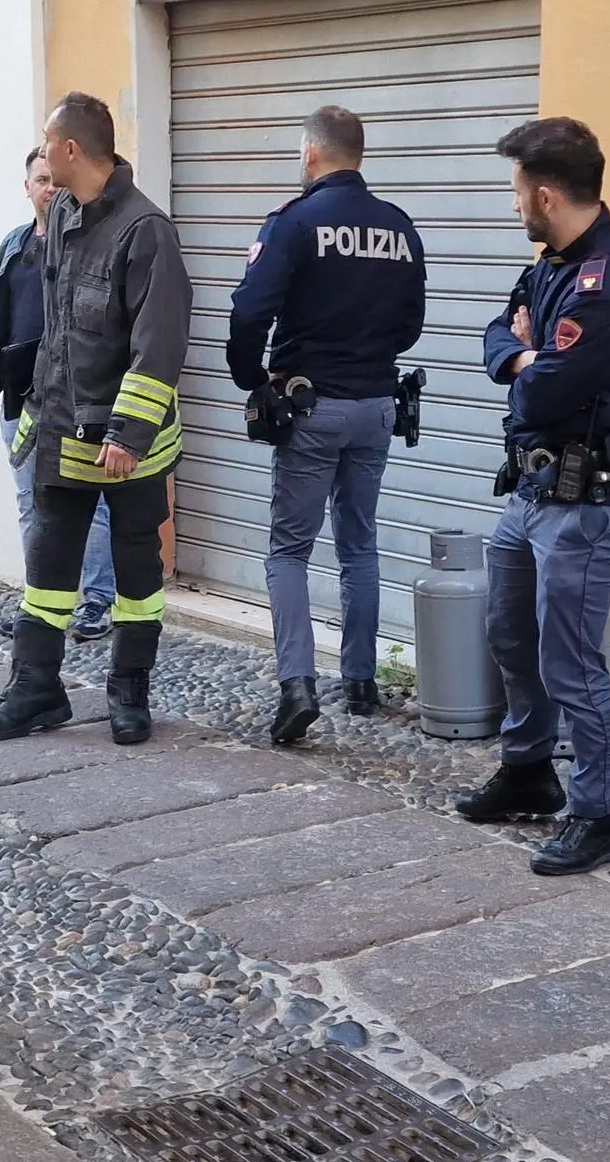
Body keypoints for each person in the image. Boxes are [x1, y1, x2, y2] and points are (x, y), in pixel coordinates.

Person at [453, 117, 610, 876]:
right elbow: (495, 337)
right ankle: (527, 771)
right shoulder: (554, 266)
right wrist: (522, 355)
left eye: (517, 192)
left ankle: (596, 815)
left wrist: (523, 361)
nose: (513, 206)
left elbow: (543, 392)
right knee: (509, 633)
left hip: (587, 501)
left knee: (570, 660)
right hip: (534, 490)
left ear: (545, 195)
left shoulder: (607, 281)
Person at [0, 93, 192, 747]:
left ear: (70, 149)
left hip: (127, 447)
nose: (42, 152)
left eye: (48, 142)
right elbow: (58, 330)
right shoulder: (63, 213)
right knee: (48, 569)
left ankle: (129, 692)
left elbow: (159, 343)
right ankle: (37, 689)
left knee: (136, 576)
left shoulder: (146, 230)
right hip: (62, 433)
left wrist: (128, 433)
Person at [224, 106, 426, 744]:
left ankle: (298, 687)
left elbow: (250, 311)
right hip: (376, 405)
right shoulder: (398, 227)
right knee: (359, 542)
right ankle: (361, 682)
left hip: (311, 407)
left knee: (289, 549)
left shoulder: (294, 222)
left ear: (311, 153)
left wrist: (252, 377)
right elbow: (411, 326)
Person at [0, 147, 116, 642]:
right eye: (41, 180)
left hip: (73, 398)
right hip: (20, 398)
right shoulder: (14, 244)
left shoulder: (86, 244)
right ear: (27, 187)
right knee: (32, 501)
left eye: (56, 179)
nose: (50, 188)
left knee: (88, 501)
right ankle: (42, 604)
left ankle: (97, 601)